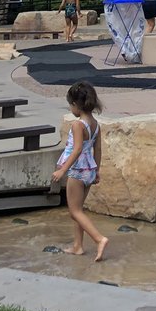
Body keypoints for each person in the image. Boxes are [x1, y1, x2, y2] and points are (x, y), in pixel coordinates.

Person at [51, 81, 108, 261]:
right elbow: (98, 150)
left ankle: (99, 239)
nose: (71, 109)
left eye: (70, 105)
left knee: (74, 211)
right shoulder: (95, 124)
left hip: (77, 170)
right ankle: (78, 246)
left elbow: (76, 149)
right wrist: (97, 171)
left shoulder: (78, 125)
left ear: (76, 105)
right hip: (89, 169)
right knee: (80, 210)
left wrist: (63, 170)